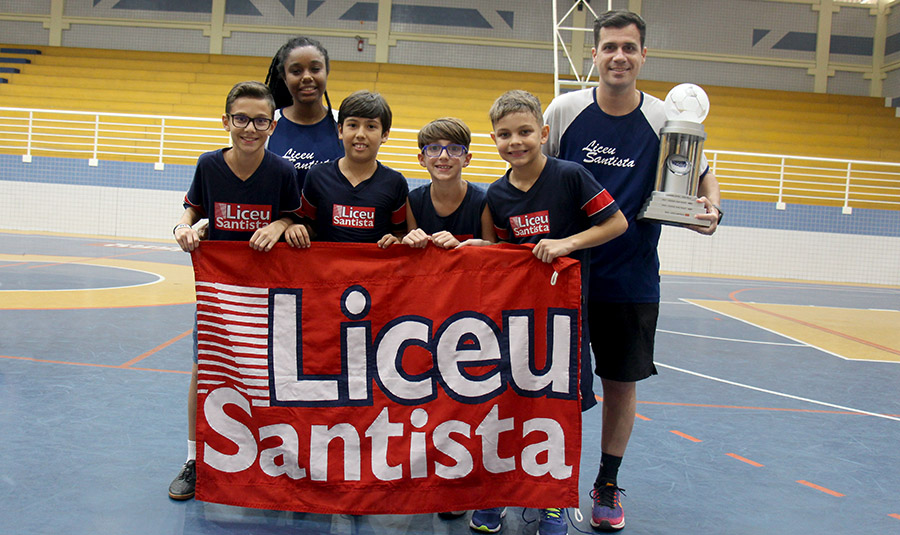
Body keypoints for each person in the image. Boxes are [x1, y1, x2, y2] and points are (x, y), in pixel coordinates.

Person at [542, 10, 722, 532]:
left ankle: (605, 483)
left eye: (629, 47)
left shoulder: (667, 119)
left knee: (620, 383)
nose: (618, 56)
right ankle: (551, 484)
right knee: (553, 386)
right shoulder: (565, 110)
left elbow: (704, 176)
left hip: (632, 277)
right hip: (565, 277)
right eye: (609, 47)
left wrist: (709, 209)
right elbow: (535, 170)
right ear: (593, 55)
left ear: (644, 56)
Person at [469, 90, 627, 535]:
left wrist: (568, 243)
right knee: (507, 402)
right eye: (504, 135)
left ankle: (553, 499)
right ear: (494, 139)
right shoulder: (497, 194)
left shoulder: (571, 176)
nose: (515, 142)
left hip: (566, 320)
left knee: (558, 409)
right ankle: (501, 492)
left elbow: (616, 223)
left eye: (524, 132)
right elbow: (501, 253)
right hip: (516, 323)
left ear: (543, 132)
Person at [167, 81, 309, 501]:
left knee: (276, 378)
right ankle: (195, 458)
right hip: (219, 293)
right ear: (226, 120)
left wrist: (280, 226)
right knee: (204, 371)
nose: (250, 128)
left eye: (260, 120)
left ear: (273, 125)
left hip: (269, 296)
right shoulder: (209, 165)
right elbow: (194, 207)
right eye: (242, 119)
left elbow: (293, 217)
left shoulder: (283, 172)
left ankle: (279, 457)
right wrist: (182, 226)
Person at [300, 90, 408, 247]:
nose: (360, 134)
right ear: (340, 130)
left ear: (384, 134)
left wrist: (397, 240)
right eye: (352, 125)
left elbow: (400, 233)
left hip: (373, 270)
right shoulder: (317, 176)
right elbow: (309, 227)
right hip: (326, 270)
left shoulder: (395, 183)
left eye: (371, 126)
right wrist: (296, 229)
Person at [402, 117, 496, 249]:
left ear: (467, 159)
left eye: (454, 149)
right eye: (434, 148)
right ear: (422, 159)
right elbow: (413, 251)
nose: (444, 156)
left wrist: (460, 248)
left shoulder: (482, 201)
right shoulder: (414, 200)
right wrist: (408, 241)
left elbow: (491, 250)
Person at [265, 36, 344, 186]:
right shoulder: (267, 124)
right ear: (284, 77)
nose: (307, 77)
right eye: (296, 71)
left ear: (327, 71)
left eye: (315, 69)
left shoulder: (345, 123)